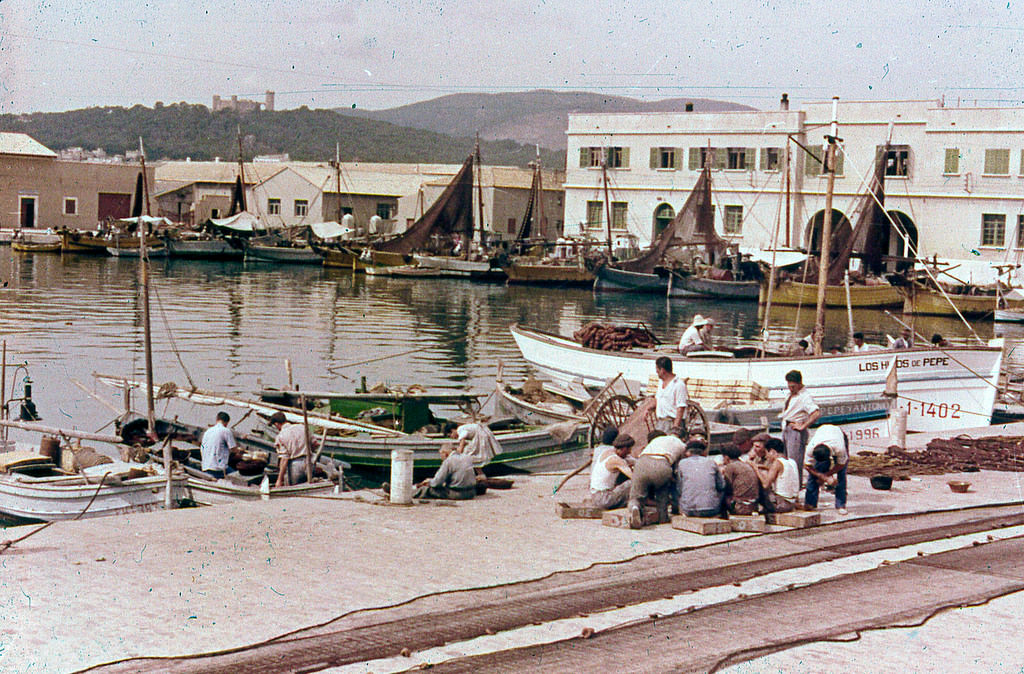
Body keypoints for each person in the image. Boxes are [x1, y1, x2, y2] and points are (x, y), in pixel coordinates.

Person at [628, 429, 687, 528]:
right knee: (662, 491)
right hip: (662, 464)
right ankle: (663, 518)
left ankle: (635, 508)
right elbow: (680, 469)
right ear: (683, 438)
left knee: (636, 496)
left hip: (642, 462)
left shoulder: (658, 439)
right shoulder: (682, 445)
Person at [779, 370, 820, 486]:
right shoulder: (790, 395)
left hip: (795, 430)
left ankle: (795, 487)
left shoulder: (805, 397)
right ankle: (788, 486)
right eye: (789, 386)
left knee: (794, 462)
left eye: (793, 386)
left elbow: (816, 413)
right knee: (786, 460)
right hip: (786, 427)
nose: (790, 388)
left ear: (799, 383)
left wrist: (803, 426)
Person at [803, 424, 849, 515]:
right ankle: (810, 503)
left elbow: (841, 465)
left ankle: (841, 505)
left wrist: (827, 476)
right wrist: (821, 476)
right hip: (822, 432)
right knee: (815, 472)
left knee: (841, 475)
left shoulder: (840, 448)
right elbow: (807, 466)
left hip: (838, 433)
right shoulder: (810, 448)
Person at [674, 438, 725, 518]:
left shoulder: (682, 463)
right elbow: (721, 485)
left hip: (689, 510)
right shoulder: (711, 462)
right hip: (712, 509)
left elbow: (679, 488)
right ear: (703, 452)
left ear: (688, 452)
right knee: (722, 491)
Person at [412, 443, 477, 500]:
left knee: (425, 490)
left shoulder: (448, 461)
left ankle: (410, 494)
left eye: (441, 454)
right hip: (471, 492)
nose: (441, 457)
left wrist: (429, 481)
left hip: (457, 494)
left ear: (445, 453)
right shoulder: (467, 457)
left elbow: (437, 483)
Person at [270, 412, 318, 487]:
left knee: (293, 489)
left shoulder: (281, 436)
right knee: (309, 486)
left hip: (295, 465)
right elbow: (315, 444)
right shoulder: (302, 427)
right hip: (310, 462)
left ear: (276, 424)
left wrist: (279, 479)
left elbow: (284, 459)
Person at [589, 433, 635, 510]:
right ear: (624, 448)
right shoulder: (616, 460)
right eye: (629, 449)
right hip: (604, 498)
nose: (630, 452)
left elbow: (631, 460)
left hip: (595, 496)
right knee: (632, 483)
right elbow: (633, 477)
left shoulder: (607, 452)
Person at [756, 437, 799, 513]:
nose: (766, 456)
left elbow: (765, 485)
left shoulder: (777, 462)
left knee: (759, 487)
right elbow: (780, 471)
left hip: (781, 504)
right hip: (792, 501)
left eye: (767, 453)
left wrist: (755, 469)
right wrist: (763, 467)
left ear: (772, 451)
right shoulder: (791, 461)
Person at [719, 444, 761, 515]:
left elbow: (726, 487)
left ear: (726, 457)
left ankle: (723, 517)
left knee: (720, 495)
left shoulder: (730, 466)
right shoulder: (745, 465)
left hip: (740, 506)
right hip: (753, 505)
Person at [653, 356, 689, 434]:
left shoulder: (679, 385)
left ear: (662, 370)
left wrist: (675, 429)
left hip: (672, 423)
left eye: (657, 370)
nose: (656, 372)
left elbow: (680, 408)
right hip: (661, 422)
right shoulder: (661, 383)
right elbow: (658, 399)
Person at [200, 411, 240, 479]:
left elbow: (202, 448)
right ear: (227, 422)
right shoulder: (226, 431)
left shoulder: (208, 431)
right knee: (238, 477)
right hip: (218, 469)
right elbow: (234, 449)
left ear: (217, 420)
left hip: (205, 467)